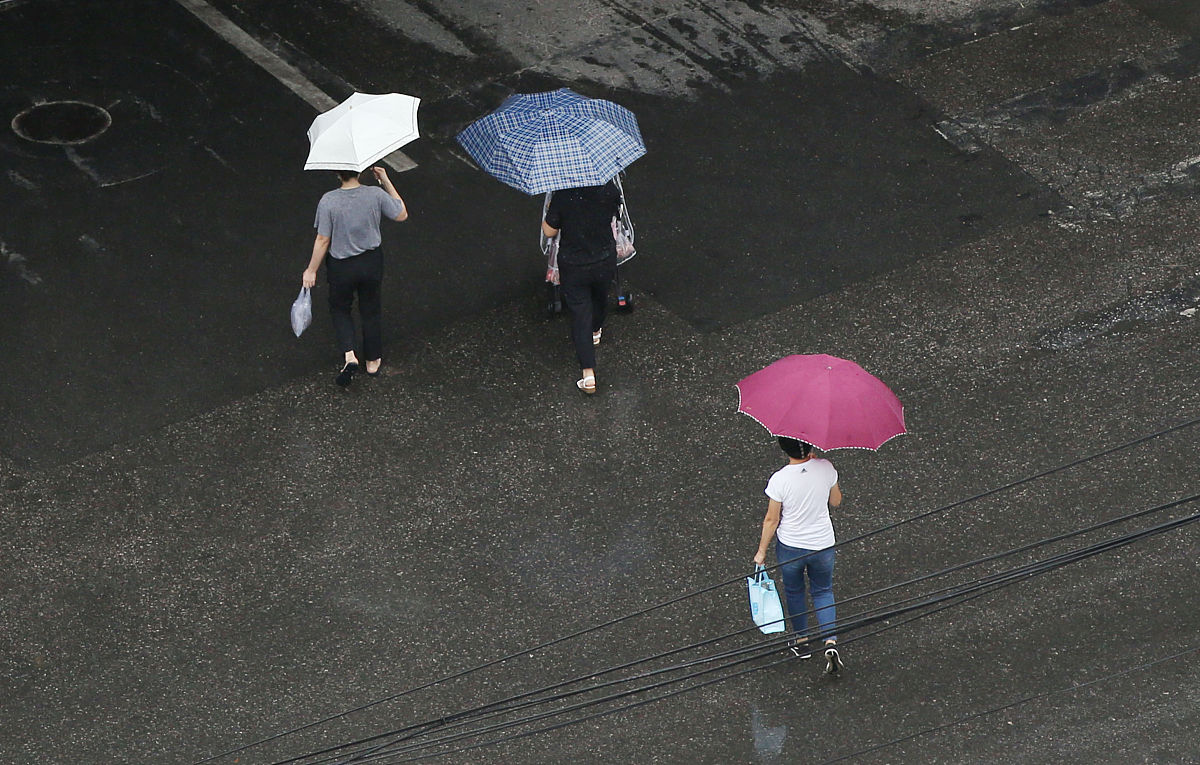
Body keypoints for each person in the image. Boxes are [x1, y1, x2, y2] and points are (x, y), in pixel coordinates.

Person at [302, 166, 408, 386]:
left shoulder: (329, 201)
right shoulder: (375, 194)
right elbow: (401, 214)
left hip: (342, 267)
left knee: (340, 309)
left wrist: (311, 270)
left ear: (337, 174)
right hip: (371, 261)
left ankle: (350, 355)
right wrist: (385, 181)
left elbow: (323, 240)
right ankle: (372, 360)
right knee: (370, 309)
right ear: (359, 172)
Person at [753, 437, 844, 673]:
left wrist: (761, 551)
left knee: (795, 591)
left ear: (784, 449)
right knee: (823, 591)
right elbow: (836, 501)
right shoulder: (826, 467)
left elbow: (772, 519)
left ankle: (802, 642)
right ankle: (830, 641)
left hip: (791, 547)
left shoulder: (780, 479)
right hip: (822, 544)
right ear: (810, 446)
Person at [541, 179, 621, 394]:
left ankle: (588, 374)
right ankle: (596, 330)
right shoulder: (609, 190)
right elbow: (615, 214)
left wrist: (552, 211)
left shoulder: (563, 197)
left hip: (574, 264)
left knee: (579, 312)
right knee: (600, 296)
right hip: (604, 258)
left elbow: (549, 232)